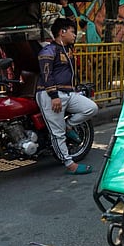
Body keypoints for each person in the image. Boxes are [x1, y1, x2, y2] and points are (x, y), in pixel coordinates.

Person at [36, 18, 99, 175]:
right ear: (62, 32)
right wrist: (53, 95)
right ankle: (70, 164)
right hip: (50, 95)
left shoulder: (68, 50)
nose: (75, 35)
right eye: (72, 32)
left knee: (91, 108)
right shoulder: (48, 51)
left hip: (68, 93)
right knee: (57, 133)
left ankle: (68, 125)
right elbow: (46, 75)